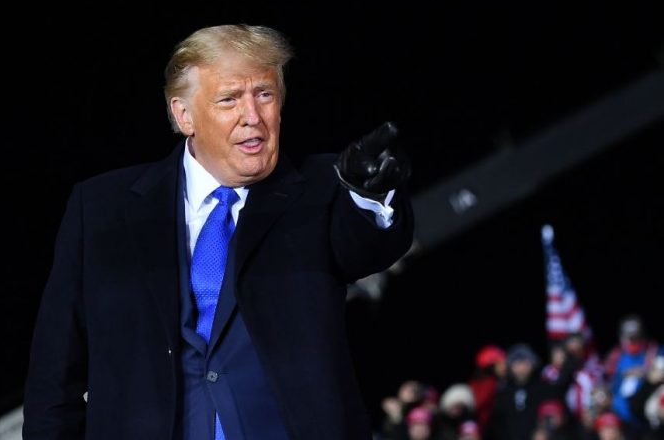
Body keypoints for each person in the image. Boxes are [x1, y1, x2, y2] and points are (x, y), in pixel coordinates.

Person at [21, 24, 414, 439]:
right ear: (183, 115)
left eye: (265, 94)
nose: (253, 116)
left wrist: (368, 195)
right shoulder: (101, 208)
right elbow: (55, 374)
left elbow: (366, 249)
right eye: (229, 99)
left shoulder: (319, 187)